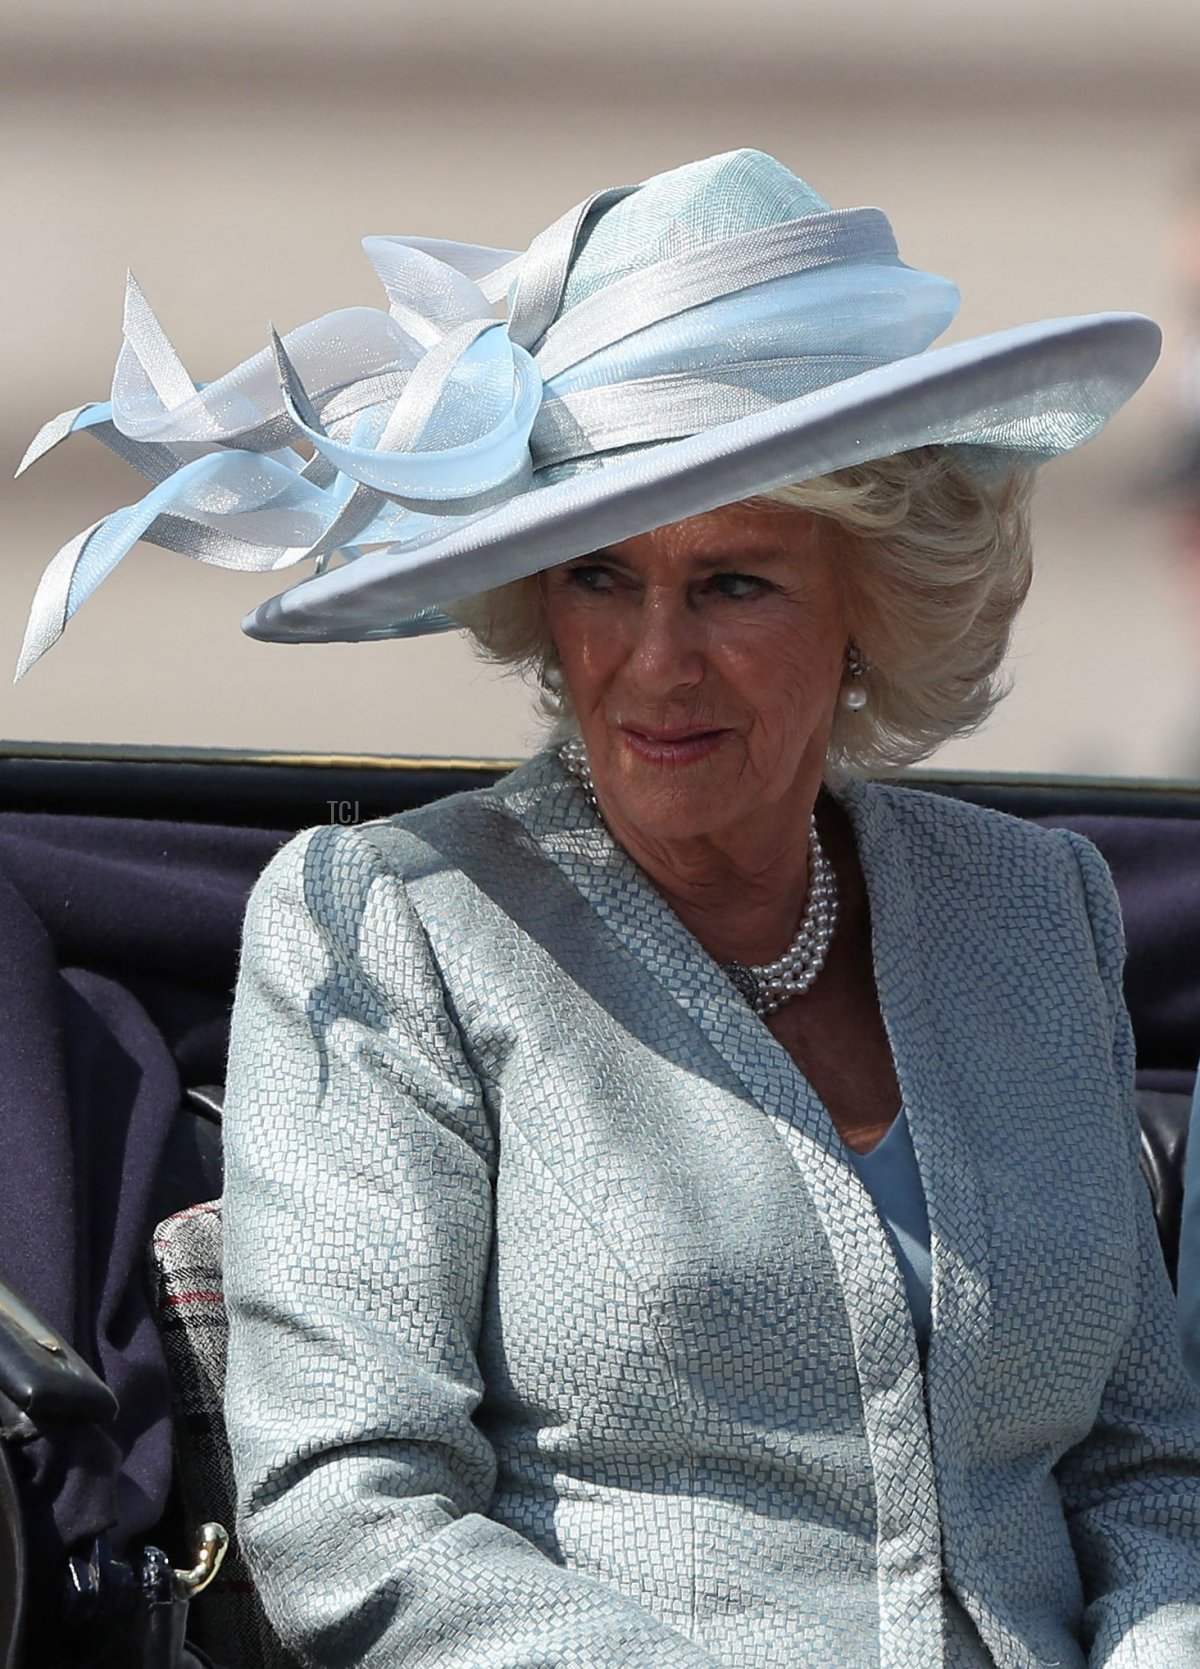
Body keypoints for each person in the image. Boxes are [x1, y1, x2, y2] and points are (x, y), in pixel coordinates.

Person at [20, 150, 1200, 1667]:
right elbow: (347, 1512)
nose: (655, 661)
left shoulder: (1037, 911)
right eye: (598, 577)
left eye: (733, 584)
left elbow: (1143, 1469)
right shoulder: (395, 927)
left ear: (869, 597)